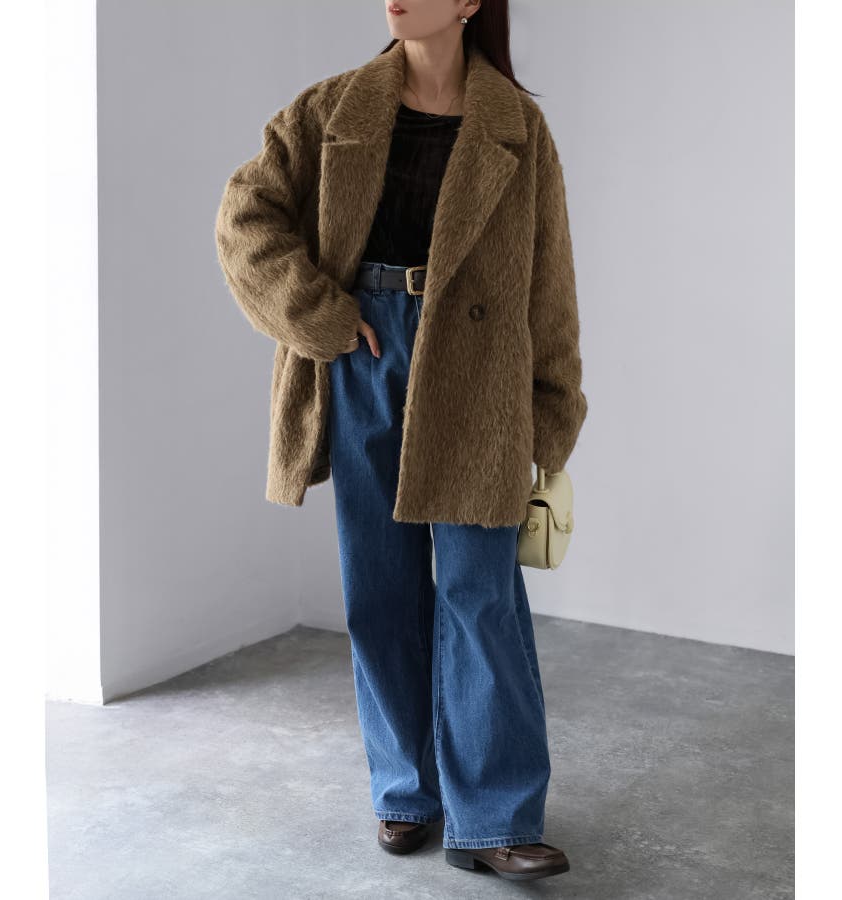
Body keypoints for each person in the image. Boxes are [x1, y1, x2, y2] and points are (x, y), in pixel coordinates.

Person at [215, 0, 587, 883]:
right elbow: (244, 218)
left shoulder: (518, 126)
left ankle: (495, 817)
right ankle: (405, 791)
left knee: (479, 591)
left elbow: (549, 279)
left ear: (468, 3)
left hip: (477, 367)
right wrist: (323, 317)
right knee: (380, 588)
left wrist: (551, 409)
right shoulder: (328, 110)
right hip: (365, 350)